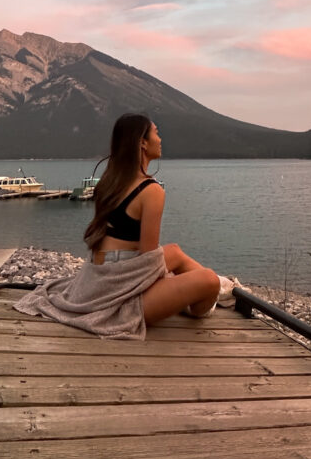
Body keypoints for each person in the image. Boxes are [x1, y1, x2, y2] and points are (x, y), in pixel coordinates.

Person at [14, 114, 224, 338]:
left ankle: (219, 287)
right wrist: (170, 282)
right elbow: (147, 260)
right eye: (156, 132)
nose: (160, 139)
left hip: (98, 277)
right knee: (209, 281)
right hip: (118, 294)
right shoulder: (151, 191)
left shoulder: (111, 180)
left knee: (175, 252)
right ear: (142, 142)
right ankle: (204, 304)